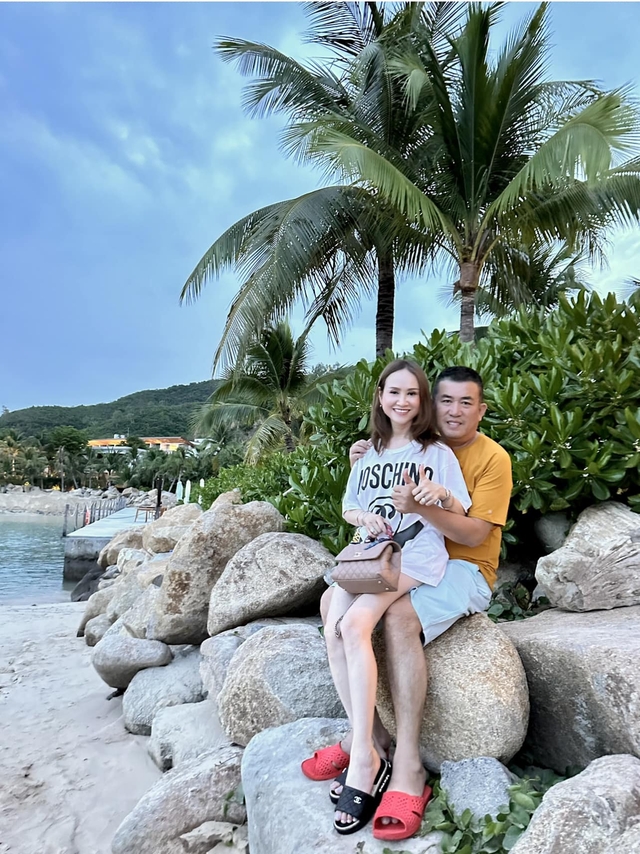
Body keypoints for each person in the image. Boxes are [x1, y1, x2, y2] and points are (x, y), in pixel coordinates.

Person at [302, 365, 512, 842]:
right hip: (390, 555)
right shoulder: (384, 450)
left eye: (466, 403)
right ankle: (369, 739)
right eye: (445, 400)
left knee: (393, 617)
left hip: (460, 565)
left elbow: (472, 533)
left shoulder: (484, 457)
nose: (454, 411)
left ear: (480, 410)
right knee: (331, 606)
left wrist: (425, 505)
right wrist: (363, 468)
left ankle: (407, 764)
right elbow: (359, 496)